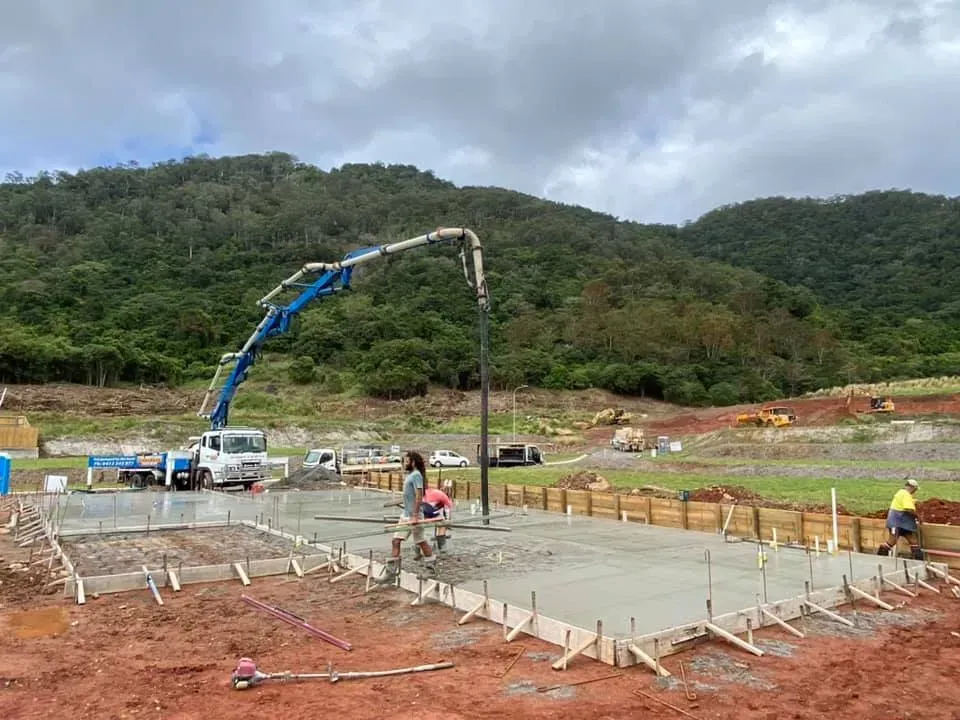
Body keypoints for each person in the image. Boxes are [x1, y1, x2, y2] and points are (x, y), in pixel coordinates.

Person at [377, 451, 436, 583]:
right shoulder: (410, 475)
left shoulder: (416, 476)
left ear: (413, 462)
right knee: (396, 541)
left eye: (407, 461)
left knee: (420, 541)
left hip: (415, 516)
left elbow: (419, 496)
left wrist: (415, 515)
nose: (405, 463)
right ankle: (391, 573)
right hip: (406, 515)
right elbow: (409, 496)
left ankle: (430, 568)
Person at [877, 479, 923, 559]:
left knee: (913, 541)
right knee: (892, 541)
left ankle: (918, 559)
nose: (914, 492)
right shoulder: (906, 495)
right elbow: (908, 509)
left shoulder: (900, 492)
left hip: (902, 524)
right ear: (912, 487)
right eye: (915, 490)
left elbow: (903, 503)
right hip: (897, 523)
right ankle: (880, 556)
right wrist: (918, 517)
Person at [422, 486, 453, 550]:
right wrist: (447, 521)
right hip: (427, 508)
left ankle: (418, 548)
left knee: (419, 531)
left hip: (420, 509)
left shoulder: (432, 491)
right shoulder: (444, 497)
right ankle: (442, 548)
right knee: (442, 524)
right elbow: (448, 510)